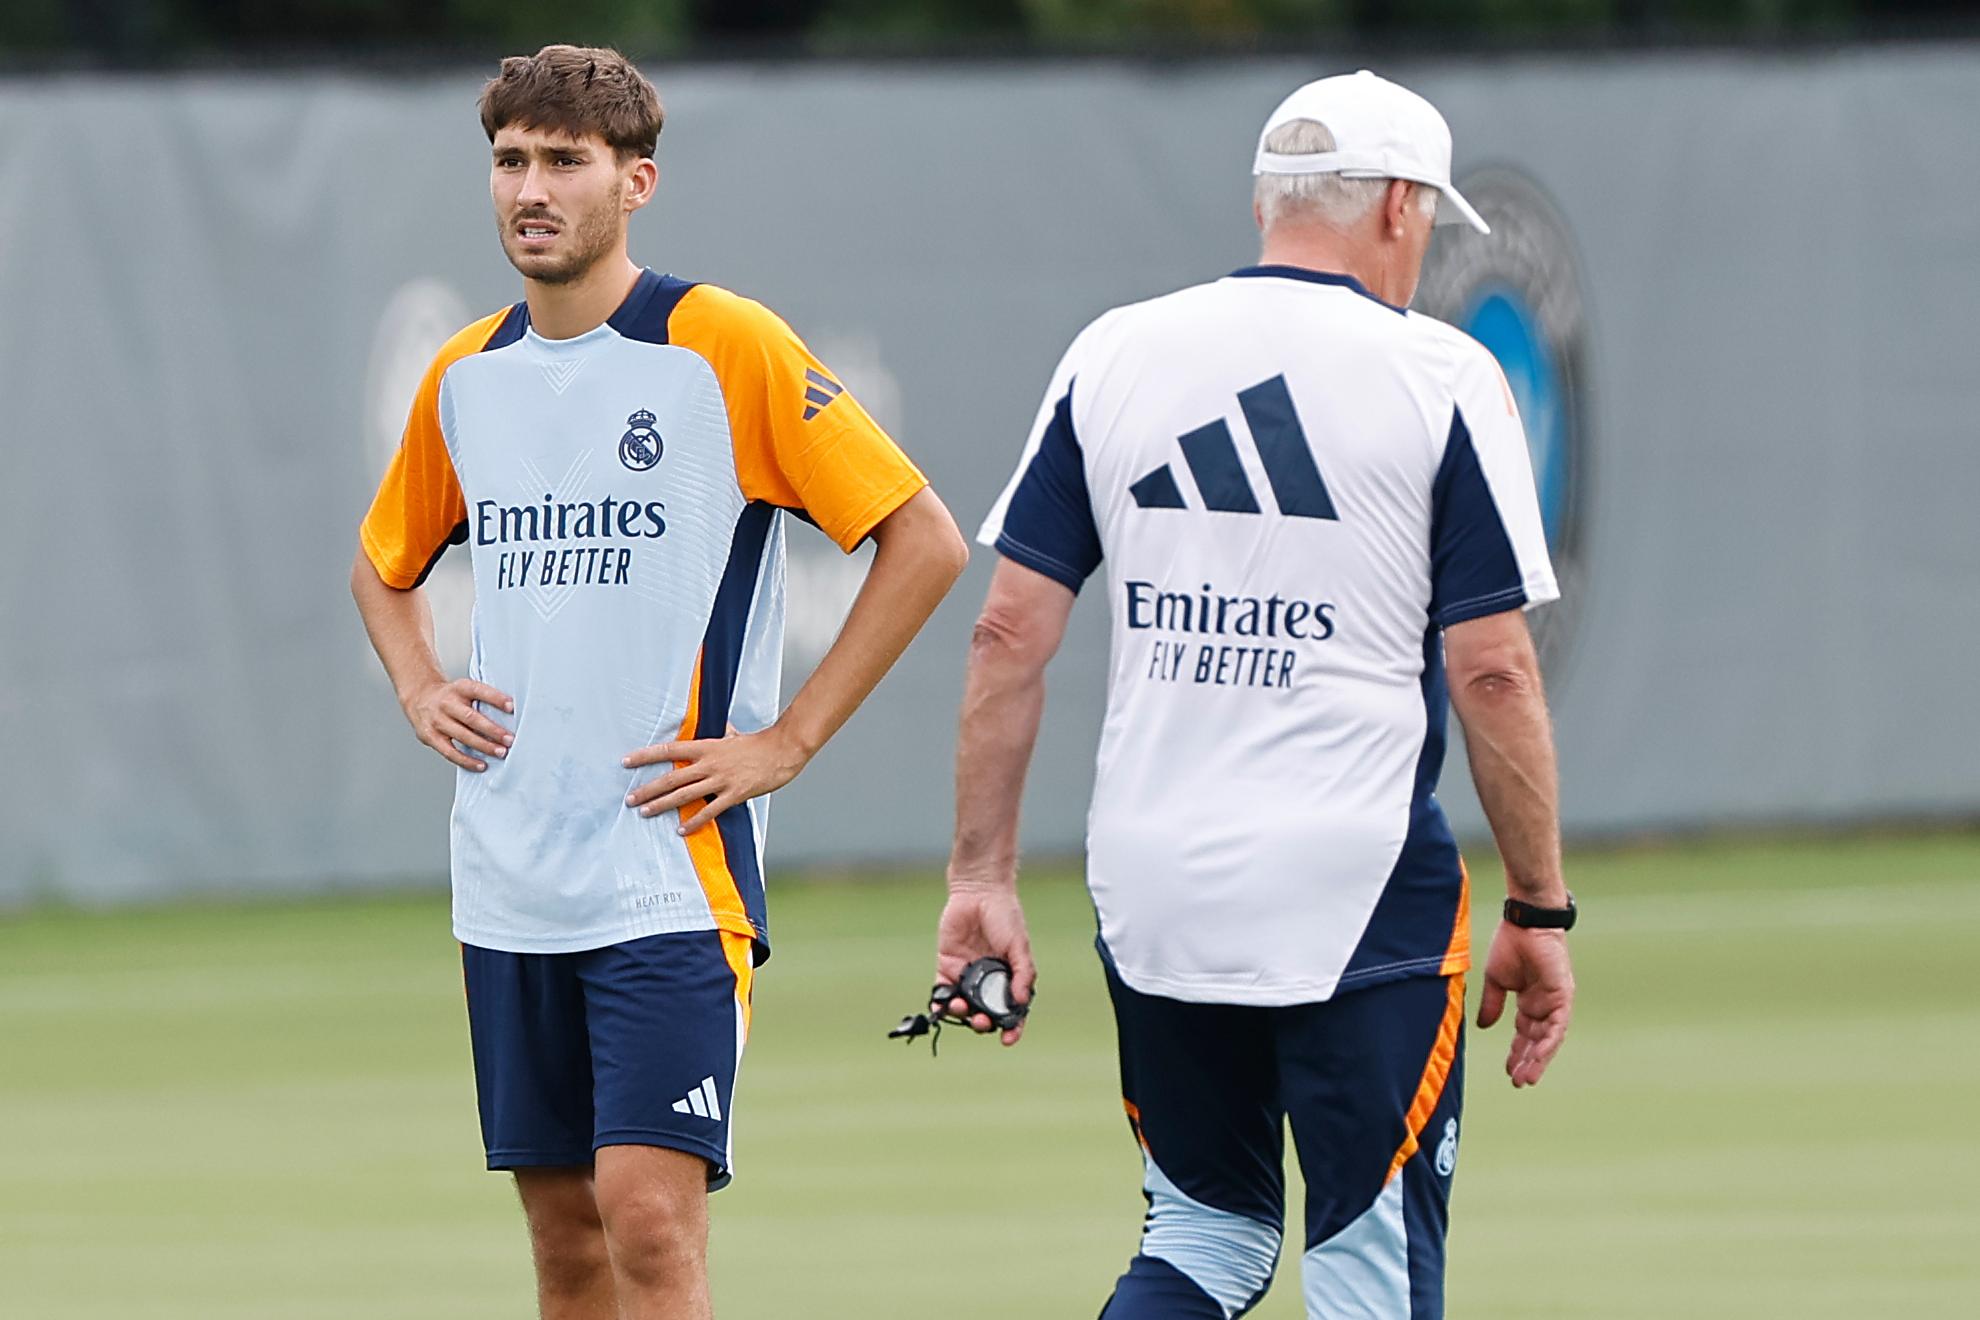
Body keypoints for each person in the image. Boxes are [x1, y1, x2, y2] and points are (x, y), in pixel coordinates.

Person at [935, 70, 1577, 1318]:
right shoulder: (1440, 375)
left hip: (1153, 881)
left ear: (1263, 201)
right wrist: (1542, 909)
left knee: (1205, 1243)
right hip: (1356, 890)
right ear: (1400, 205)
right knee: (1364, 1269)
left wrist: (980, 878)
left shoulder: (1113, 350)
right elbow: (1492, 666)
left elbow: (1008, 630)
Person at [350, 45, 967, 1320]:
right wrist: (419, 687)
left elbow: (925, 541)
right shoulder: (466, 375)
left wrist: (786, 741)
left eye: (564, 161)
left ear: (637, 181)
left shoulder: (720, 346)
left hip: (666, 869)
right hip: (509, 874)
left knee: (647, 1218)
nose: (531, 187)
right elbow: (381, 565)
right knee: (567, 1244)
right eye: (511, 160)